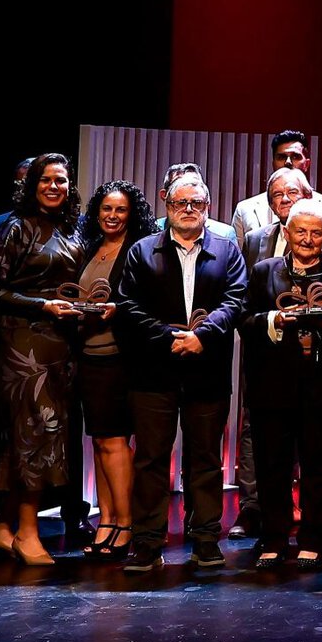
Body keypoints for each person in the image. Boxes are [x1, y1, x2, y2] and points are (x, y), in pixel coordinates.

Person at [112, 171, 249, 573]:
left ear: (207, 206)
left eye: (196, 203)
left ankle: (205, 538)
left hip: (207, 371)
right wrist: (169, 336)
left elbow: (236, 299)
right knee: (151, 460)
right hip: (153, 371)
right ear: (166, 206)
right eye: (179, 203)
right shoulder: (141, 250)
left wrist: (201, 335)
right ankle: (147, 544)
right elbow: (127, 305)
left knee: (205, 459)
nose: (188, 210)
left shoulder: (227, 249)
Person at [240, 196, 322, 567]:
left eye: (316, 233)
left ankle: (312, 537)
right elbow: (244, 320)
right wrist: (275, 321)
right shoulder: (264, 270)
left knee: (319, 463)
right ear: (286, 232)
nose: (308, 240)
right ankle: (273, 538)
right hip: (273, 383)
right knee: (272, 464)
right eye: (300, 232)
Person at [0, 153, 86, 566]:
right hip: (23, 344)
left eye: (61, 180)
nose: (54, 186)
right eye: (46, 180)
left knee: (45, 433)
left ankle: (1, 528)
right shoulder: (16, 227)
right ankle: (27, 532)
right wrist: (43, 306)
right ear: (32, 184)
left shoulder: (69, 227)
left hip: (61, 343)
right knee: (33, 433)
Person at [72, 179, 149, 562]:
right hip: (87, 355)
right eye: (106, 209)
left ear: (131, 214)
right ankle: (107, 520)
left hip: (120, 357)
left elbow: (140, 302)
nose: (113, 216)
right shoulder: (90, 248)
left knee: (116, 440)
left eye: (120, 209)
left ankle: (125, 522)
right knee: (100, 441)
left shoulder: (138, 250)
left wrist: (116, 309)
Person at [240, 167, 322, 265]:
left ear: (308, 197)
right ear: (271, 205)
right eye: (278, 194)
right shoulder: (253, 240)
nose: (285, 199)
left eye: (292, 192)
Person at [231, 130, 311, 246]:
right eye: (282, 157)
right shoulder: (245, 209)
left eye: (295, 157)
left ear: (307, 164)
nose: (288, 162)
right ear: (273, 163)